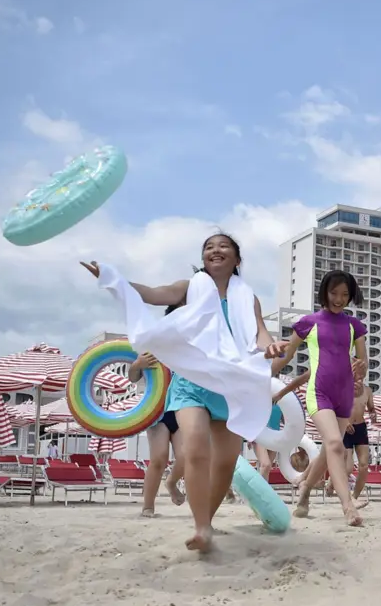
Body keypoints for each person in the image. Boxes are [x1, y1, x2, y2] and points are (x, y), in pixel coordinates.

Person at [82, 233, 285, 553]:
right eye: (208, 247)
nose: (215, 250)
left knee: (226, 463)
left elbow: (259, 334)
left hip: (232, 387)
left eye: (223, 246)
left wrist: (270, 346)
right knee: (194, 446)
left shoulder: (248, 297)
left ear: (237, 259)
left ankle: (209, 519)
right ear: (203, 258)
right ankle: (201, 527)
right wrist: (114, 279)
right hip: (192, 383)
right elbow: (152, 294)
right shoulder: (191, 287)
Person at [272, 270, 369, 526]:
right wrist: (265, 378)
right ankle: (347, 506)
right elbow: (287, 355)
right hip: (320, 392)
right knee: (336, 444)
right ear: (324, 292)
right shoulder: (308, 323)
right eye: (334, 293)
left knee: (329, 449)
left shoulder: (354, 326)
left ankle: (304, 492)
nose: (339, 299)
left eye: (345, 295)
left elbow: (363, 361)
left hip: (345, 394)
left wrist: (361, 368)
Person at [128, 341, 186, 518]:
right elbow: (132, 377)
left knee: (186, 456)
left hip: (180, 409)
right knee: (159, 459)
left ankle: (171, 482)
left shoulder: (186, 352)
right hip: (157, 412)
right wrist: (137, 365)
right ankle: (148, 506)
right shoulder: (152, 351)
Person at [254, 369, 310, 478]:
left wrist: (298, 436)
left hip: (275, 433)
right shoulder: (260, 393)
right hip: (260, 432)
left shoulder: (282, 398)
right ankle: (259, 492)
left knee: (267, 468)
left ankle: (261, 492)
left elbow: (287, 420)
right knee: (265, 465)